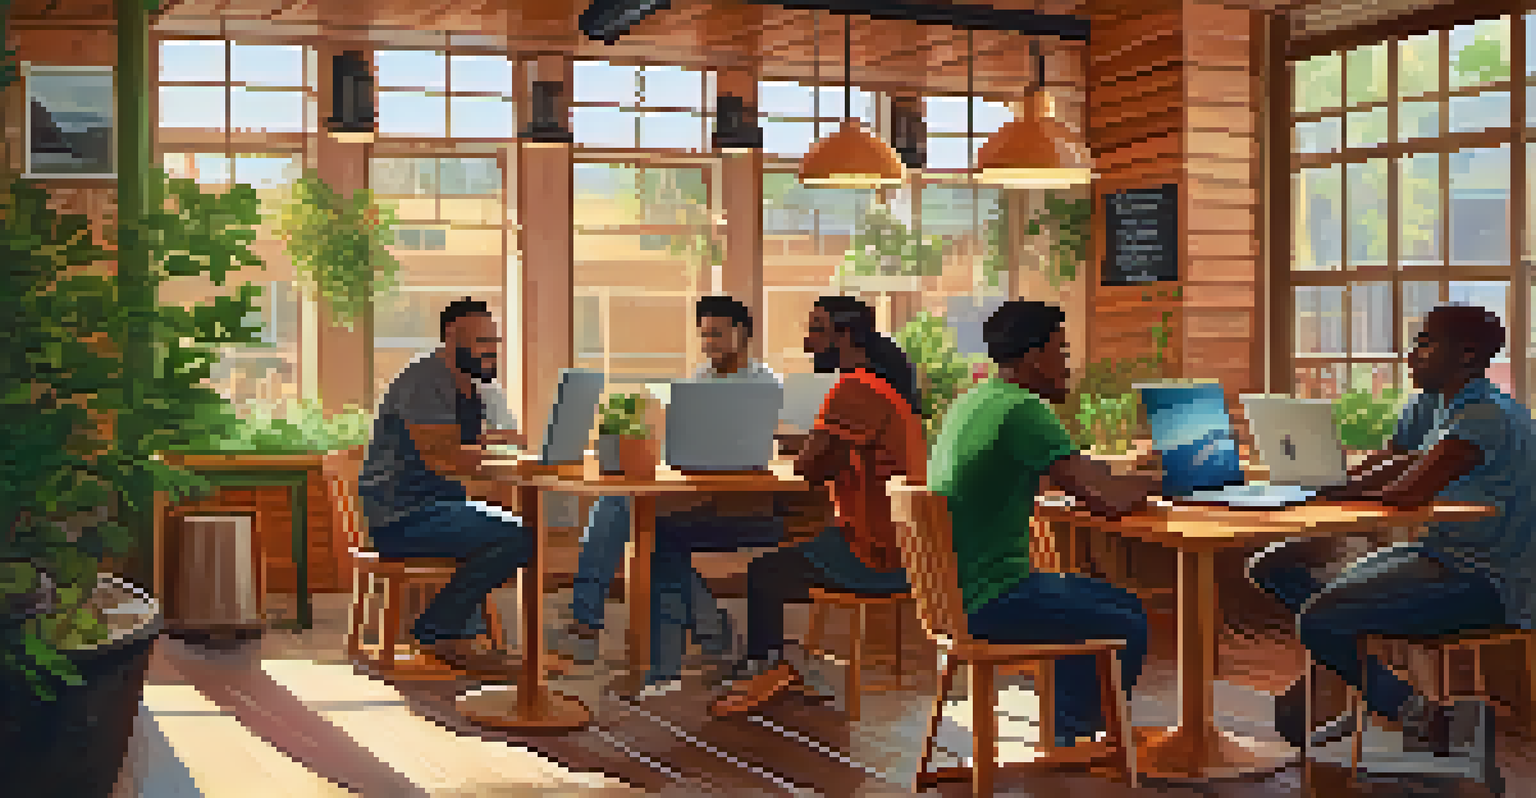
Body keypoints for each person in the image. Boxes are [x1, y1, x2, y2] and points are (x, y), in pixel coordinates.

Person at [1249, 304, 1532, 782]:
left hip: (1491, 581)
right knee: (1271, 566)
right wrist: (1325, 480)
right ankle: (1359, 688)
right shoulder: (1431, 404)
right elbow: (1391, 462)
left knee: (1319, 619)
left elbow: (1408, 491)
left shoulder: (1485, 415)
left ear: (1466, 355)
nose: (1411, 355)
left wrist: (1326, 491)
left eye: (1425, 344)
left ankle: (1415, 713)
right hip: (1439, 556)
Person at [925, 300, 1151, 747]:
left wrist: (1129, 473)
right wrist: (1166, 480)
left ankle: (1068, 736)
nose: (1069, 365)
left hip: (955, 597)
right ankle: (1083, 742)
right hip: (993, 599)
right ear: (1033, 357)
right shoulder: (1024, 410)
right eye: (1062, 351)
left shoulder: (976, 401)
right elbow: (1103, 498)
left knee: (1097, 608)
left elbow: (1071, 472)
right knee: (1126, 618)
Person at [551, 296, 786, 687]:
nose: (708, 342)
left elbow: (765, 453)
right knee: (617, 505)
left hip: (743, 506)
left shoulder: (763, 386)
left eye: (716, 333)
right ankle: (602, 630)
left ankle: (602, 632)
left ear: (742, 334)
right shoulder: (698, 381)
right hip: (692, 496)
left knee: (650, 534)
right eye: (704, 334)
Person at [708, 295, 925, 716]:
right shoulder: (882, 387)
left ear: (845, 335)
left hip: (878, 555)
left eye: (817, 330)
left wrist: (801, 447)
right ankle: (792, 663)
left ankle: (767, 672)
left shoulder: (854, 389)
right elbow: (831, 455)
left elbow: (809, 468)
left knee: (765, 573)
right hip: (903, 546)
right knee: (796, 545)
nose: (808, 343)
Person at [358, 298, 529, 673]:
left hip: (437, 508)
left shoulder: (472, 386)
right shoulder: (425, 380)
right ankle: (438, 632)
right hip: (401, 516)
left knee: (515, 534)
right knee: (517, 538)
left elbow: (472, 448)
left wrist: (496, 442)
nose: (490, 350)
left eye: (494, 342)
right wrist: (495, 444)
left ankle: (456, 633)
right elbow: (445, 457)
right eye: (482, 342)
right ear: (452, 337)